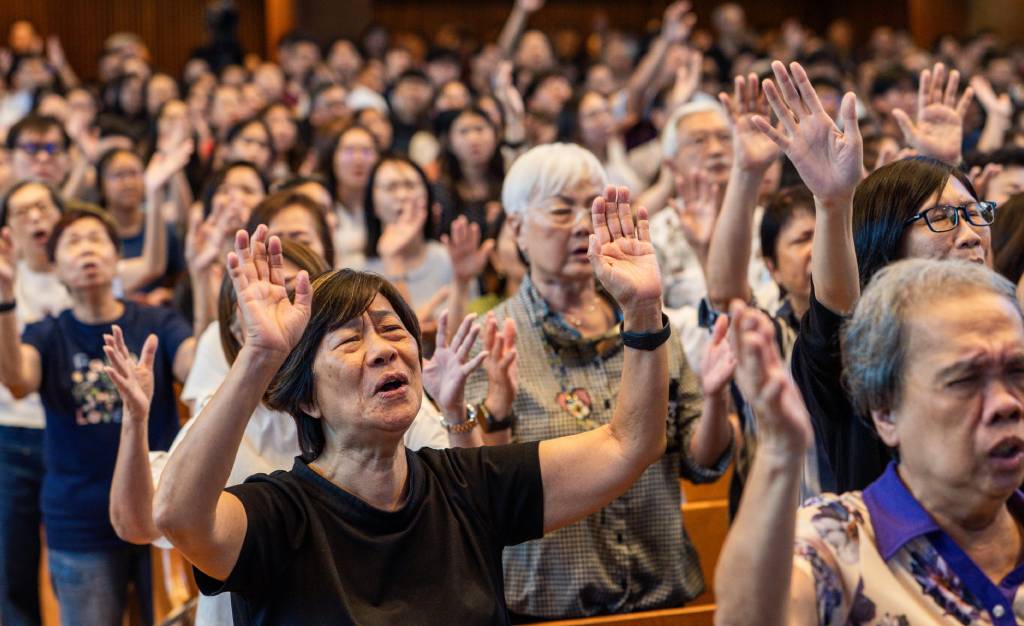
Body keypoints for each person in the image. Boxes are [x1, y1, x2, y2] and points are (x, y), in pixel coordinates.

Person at [151, 184, 674, 623]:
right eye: (350, 341)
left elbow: (631, 443)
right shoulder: (279, 516)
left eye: (392, 330)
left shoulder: (470, 487)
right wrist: (262, 356)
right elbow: (178, 515)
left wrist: (643, 310)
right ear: (307, 399)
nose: (383, 350)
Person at [464, 143, 733, 619]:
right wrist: (497, 410)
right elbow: (479, 493)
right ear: (517, 229)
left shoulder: (649, 321)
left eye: (592, 209)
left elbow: (701, 461)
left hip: (665, 598)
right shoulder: (490, 341)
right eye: (561, 210)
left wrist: (715, 398)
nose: (583, 225)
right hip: (550, 608)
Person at [716, 259, 1024, 625]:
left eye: (1018, 371)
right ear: (885, 413)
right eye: (964, 380)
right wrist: (780, 451)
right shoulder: (835, 542)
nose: (1006, 403)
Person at [751, 60, 990, 492]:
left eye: (977, 215)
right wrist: (832, 201)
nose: (972, 235)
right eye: (942, 217)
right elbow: (836, 315)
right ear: (887, 242)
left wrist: (944, 166)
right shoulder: (862, 350)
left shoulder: (1006, 326)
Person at [0, 207, 197, 625]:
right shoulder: (47, 333)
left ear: (115, 257)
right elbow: (18, 380)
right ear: (55, 268)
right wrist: (4, 300)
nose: (86, 249)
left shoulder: (157, 321)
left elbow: (198, 368)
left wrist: (204, 275)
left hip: (161, 513)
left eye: (95, 239)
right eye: (72, 242)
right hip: (78, 521)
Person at [0, 181, 72, 626]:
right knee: (12, 568)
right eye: (22, 212)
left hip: (71, 437)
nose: (34, 218)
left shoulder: (87, 269)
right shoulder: (6, 278)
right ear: (7, 229)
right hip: (10, 436)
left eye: (43, 207)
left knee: (77, 563)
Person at [362, 153, 453, 326]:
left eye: (410, 185)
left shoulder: (449, 258)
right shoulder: (357, 271)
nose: (403, 195)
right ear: (372, 204)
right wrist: (393, 258)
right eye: (391, 187)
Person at [320, 124, 380, 268]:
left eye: (366, 152)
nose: (358, 159)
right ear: (333, 157)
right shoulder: (320, 203)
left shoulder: (387, 206)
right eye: (349, 151)